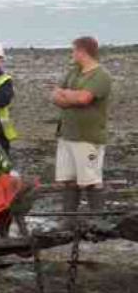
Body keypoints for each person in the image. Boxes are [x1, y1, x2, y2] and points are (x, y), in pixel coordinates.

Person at [51, 35, 113, 216]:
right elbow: (54, 96)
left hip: (88, 137)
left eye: (73, 50)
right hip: (66, 135)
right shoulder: (74, 71)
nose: (72, 54)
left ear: (82, 51)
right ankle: (68, 220)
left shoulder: (101, 75)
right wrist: (70, 96)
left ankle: (97, 221)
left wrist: (66, 95)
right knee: (68, 179)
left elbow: (85, 98)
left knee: (91, 180)